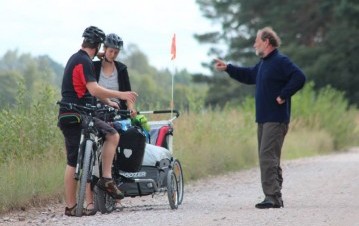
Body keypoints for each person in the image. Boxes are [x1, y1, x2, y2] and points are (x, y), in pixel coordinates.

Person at [215, 27, 306, 209]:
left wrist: (283, 95)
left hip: (276, 118)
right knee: (269, 157)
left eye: (257, 40)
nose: (254, 44)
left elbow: (299, 77)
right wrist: (228, 68)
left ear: (266, 41)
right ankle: (275, 195)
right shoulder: (264, 63)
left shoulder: (280, 61)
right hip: (264, 118)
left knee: (267, 156)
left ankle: (272, 197)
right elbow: (249, 75)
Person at [58, 26, 138, 216]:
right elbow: (94, 90)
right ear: (98, 45)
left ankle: (71, 206)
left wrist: (109, 101)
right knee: (112, 135)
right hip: (80, 115)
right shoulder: (85, 61)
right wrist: (121, 94)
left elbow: (87, 90)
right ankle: (106, 178)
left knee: (73, 160)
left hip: (70, 113)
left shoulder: (76, 58)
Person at [93, 33, 135, 210]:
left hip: (117, 110)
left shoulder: (122, 68)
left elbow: (128, 93)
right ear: (105, 49)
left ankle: (114, 186)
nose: (113, 55)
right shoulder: (94, 67)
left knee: (120, 139)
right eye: (111, 51)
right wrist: (99, 55)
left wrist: (131, 107)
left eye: (116, 52)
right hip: (97, 108)